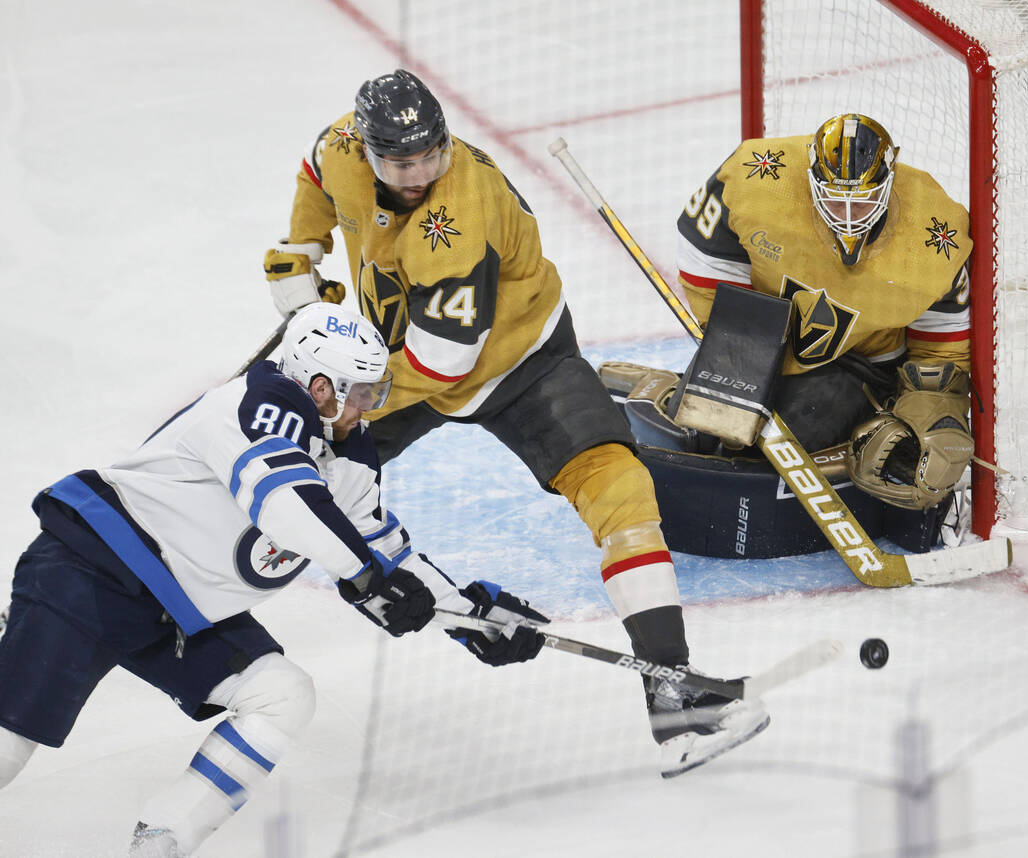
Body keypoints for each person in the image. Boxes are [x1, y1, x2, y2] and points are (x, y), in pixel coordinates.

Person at [262, 69, 769, 778]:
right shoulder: (343, 145)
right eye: (402, 162)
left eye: (431, 155)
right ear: (369, 149)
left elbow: (441, 368)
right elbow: (317, 171)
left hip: (520, 362)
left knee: (622, 492)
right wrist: (302, 247)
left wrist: (345, 400)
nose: (419, 173)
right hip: (391, 347)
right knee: (274, 454)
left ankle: (676, 698)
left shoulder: (460, 218)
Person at [0, 303, 547, 857]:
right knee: (7, 747)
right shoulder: (257, 405)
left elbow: (381, 553)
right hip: (92, 573)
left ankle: (160, 843)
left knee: (281, 695)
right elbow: (285, 503)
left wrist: (474, 617)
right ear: (317, 386)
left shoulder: (348, 453)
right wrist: (362, 576)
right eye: (359, 392)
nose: (369, 407)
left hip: (180, 612)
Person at [607, 113, 975, 554]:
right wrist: (735, 344)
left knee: (796, 432)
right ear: (812, 179)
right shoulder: (759, 178)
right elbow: (703, 250)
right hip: (766, 338)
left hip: (864, 366)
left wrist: (929, 412)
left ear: (889, 183)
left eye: (861, 203)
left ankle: (698, 396)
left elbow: (942, 350)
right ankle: (669, 389)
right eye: (836, 202)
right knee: (713, 431)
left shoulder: (937, 234)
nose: (848, 217)